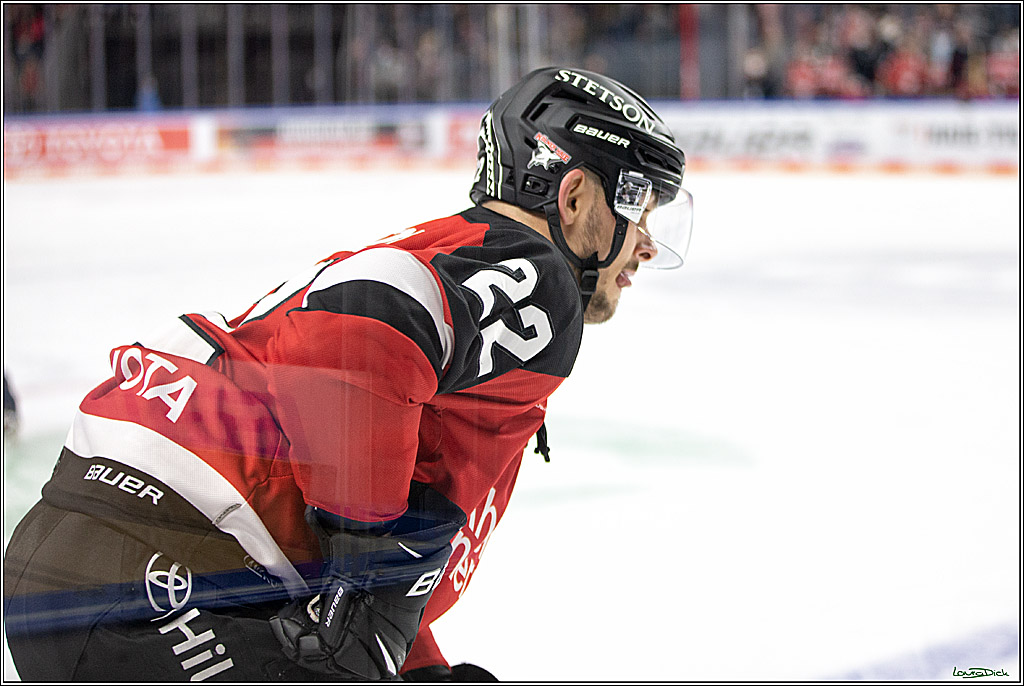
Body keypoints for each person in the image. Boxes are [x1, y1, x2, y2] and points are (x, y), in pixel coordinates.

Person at [3, 66, 692, 682]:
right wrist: (364, 580)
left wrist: (413, 660)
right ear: (573, 198)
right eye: (640, 207)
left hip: (87, 557)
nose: (648, 243)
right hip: (168, 566)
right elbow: (363, 324)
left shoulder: (459, 260)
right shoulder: (540, 282)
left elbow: (375, 517)